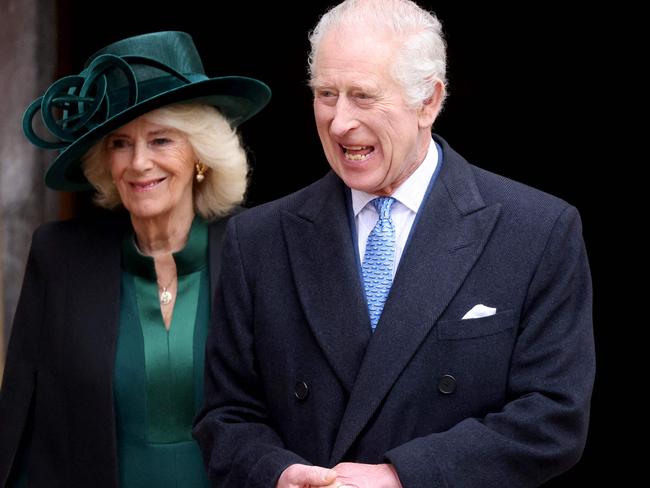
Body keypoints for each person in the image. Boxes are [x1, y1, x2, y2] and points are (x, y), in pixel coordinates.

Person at [192, 0, 595, 487]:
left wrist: (402, 477)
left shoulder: (537, 230)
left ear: (429, 101)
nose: (339, 122)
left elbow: (553, 417)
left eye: (363, 96)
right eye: (325, 94)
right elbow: (226, 418)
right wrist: (278, 474)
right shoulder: (257, 240)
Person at [0, 31, 270, 487]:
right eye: (121, 143)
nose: (138, 162)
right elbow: (27, 433)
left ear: (199, 154)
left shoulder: (262, 249)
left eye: (161, 140)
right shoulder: (58, 258)